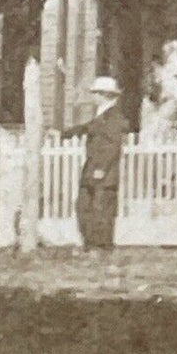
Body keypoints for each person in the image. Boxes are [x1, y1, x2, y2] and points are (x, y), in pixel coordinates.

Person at [64, 75, 130, 251]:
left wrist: (101, 168)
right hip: (92, 169)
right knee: (84, 207)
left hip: (104, 172)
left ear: (104, 94)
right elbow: (88, 128)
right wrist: (64, 133)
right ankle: (90, 245)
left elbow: (112, 146)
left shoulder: (114, 116)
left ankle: (101, 247)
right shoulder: (102, 114)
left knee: (101, 209)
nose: (93, 96)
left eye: (96, 93)